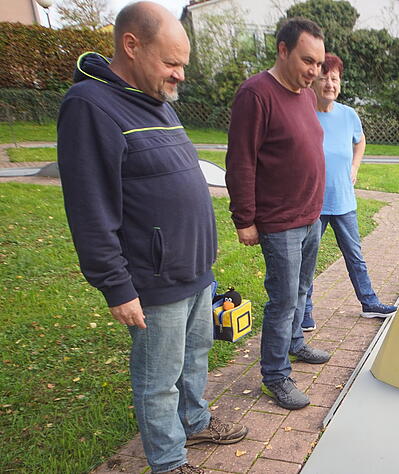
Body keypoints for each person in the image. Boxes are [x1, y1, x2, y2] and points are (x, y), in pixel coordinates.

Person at [56, 3, 248, 473]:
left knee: (194, 358)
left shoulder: (156, 99)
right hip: (153, 280)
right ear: (131, 45)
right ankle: (168, 460)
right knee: (158, 377)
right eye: (171, 63)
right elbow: (89, 208)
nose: (180, 74)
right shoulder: (89, 107)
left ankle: (196, 423)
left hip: (195, 272)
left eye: (183, 64)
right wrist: (116, 287)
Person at [225, 18, 331, 411]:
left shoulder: (306, 95)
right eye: (307, 61)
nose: (314, 72)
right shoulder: (255, 94)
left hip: (310, 216)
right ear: (282, 50)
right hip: (280, 222)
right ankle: (275, 376)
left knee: (302, 292)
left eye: (318, 64)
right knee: (283, 300)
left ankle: (295, 343)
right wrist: (245, 219)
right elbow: (240, 162)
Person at [300, 53, 398, 331]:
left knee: (355, 255)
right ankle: (305, 311)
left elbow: (361, 140)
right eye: (324, 78)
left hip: (343, 201)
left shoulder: (348, 114)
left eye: (334, 79)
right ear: (314, 82)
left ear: (340, 83)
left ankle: (369, 302)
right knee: (308, 260)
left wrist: (355, 166)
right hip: (313, 204)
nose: (329, 84)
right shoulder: (304, 113)